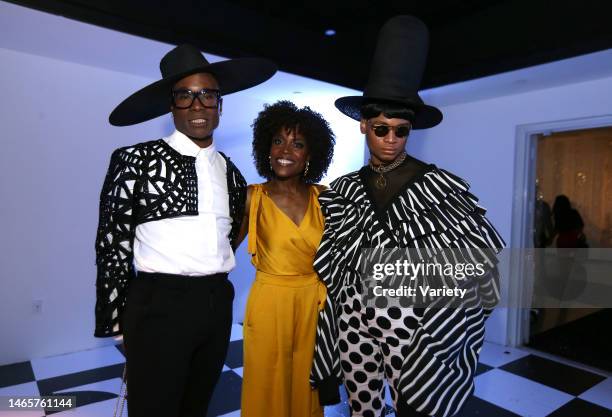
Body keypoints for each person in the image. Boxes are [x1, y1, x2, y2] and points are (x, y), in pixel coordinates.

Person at [310, 17, 505, 417]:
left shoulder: (439, 186)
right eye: (381, 128)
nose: (391, 139)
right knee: (363, 404)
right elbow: (334, 261)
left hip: (411, 325)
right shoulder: (345, 188)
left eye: (401, 130)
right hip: (351, 316)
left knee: (413, 405)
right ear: (363, 124)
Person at [94, 44, 276, 417]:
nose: (198, 105)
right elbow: (112, 243)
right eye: (185, 96)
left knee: (196, 406)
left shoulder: (231, 172)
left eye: (208, 95)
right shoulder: (135, 160)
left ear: (220, 105)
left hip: (214, 303)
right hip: (158, 306)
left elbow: (229, 235)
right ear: (171, 105)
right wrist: (117, 322)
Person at [236, 101, 336, 417]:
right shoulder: (253, 196)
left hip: (313, 306)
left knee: (307, 387)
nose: (286, 150)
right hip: (269, 303)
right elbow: (219, 252)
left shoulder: (325, 197)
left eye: (298, 144)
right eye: (278, 140)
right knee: (267, 385)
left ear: (310, 155)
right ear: (266, 147)